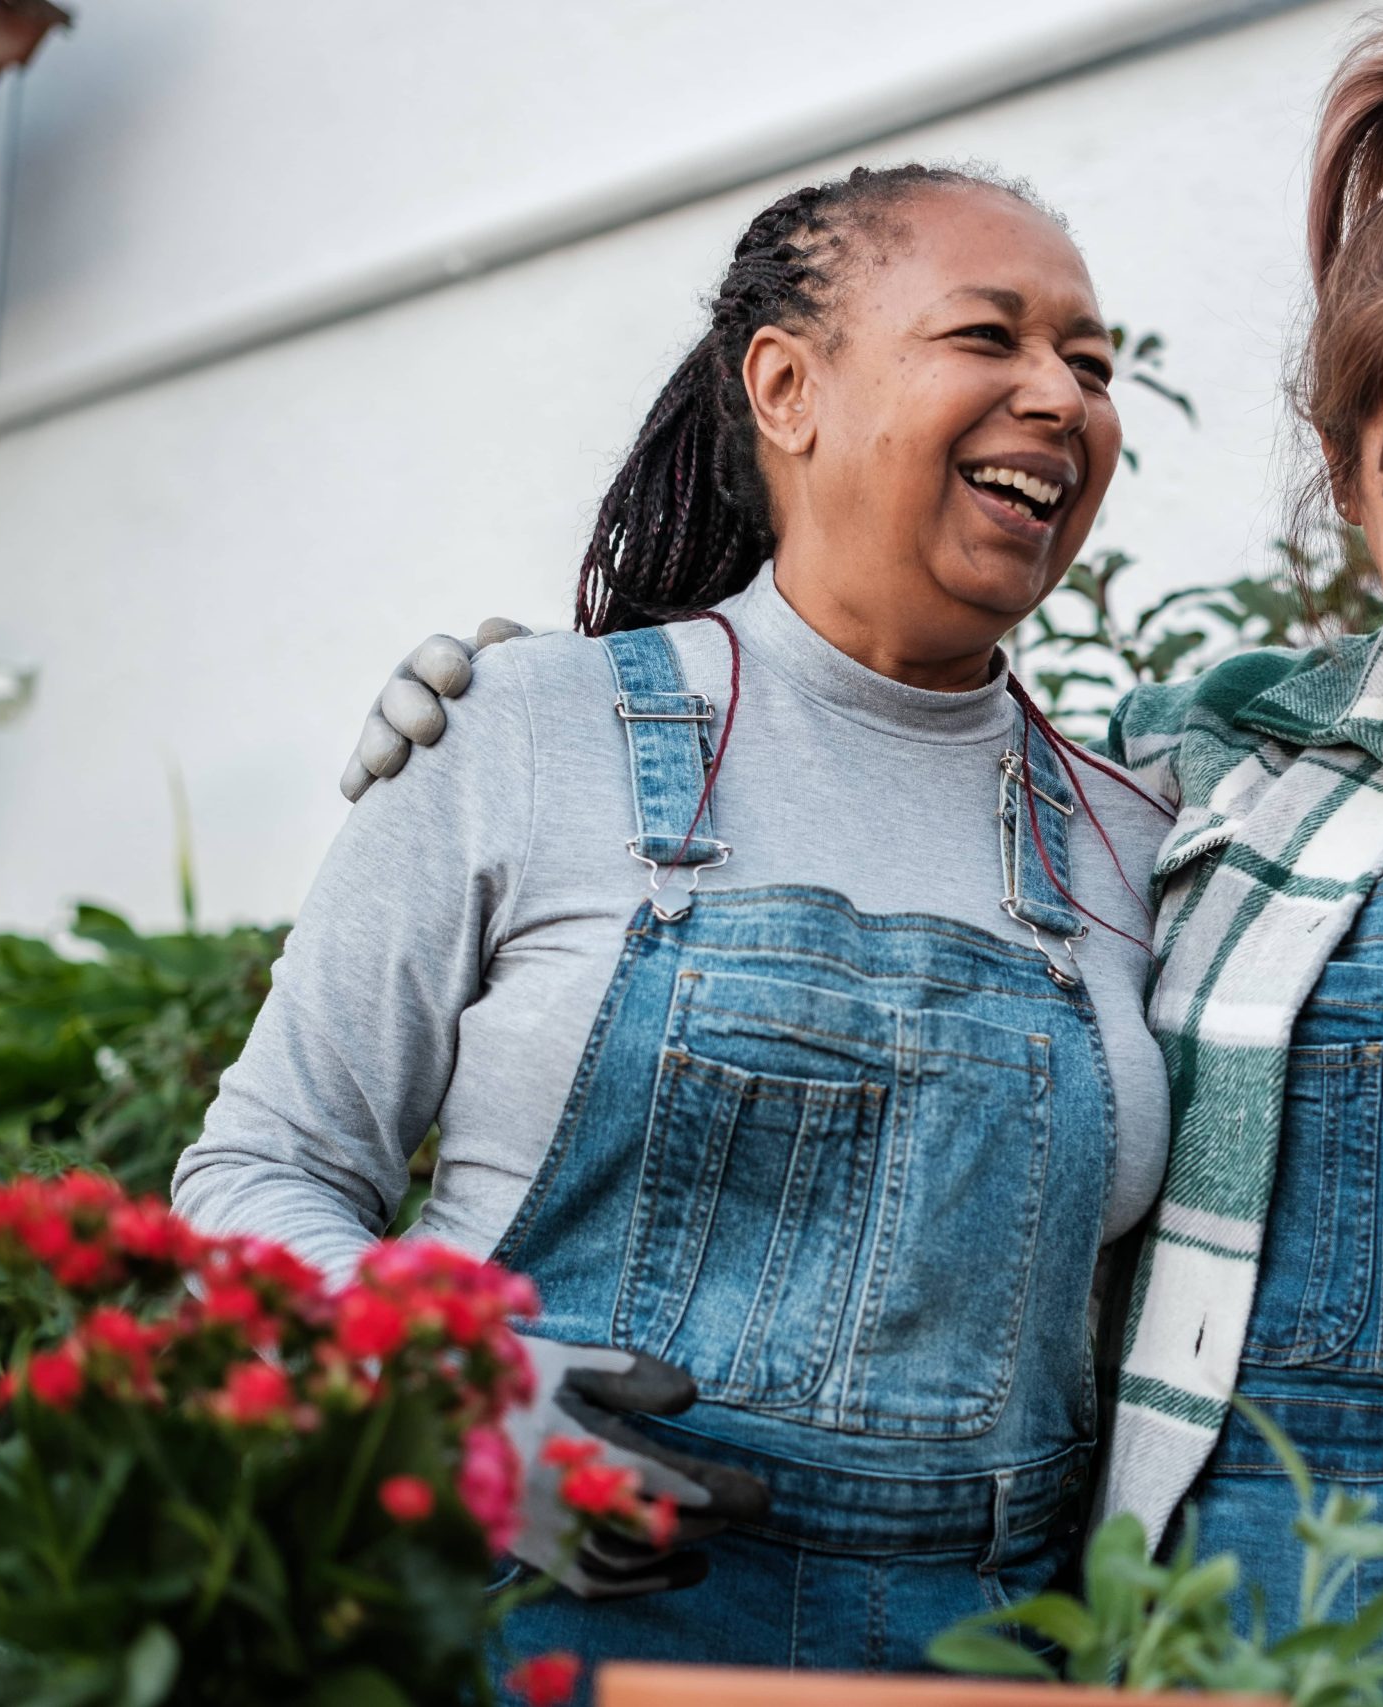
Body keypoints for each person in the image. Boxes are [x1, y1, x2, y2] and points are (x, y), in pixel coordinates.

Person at [346, 11, 1383, 1701]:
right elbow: (859, 751)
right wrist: (514, 708)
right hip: (1180, 1658)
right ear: (1351, 486)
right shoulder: (1213, 778)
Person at [171, 161, 1178, 1674]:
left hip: (978, 1679)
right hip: (524, 1649)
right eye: (991, 337)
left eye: (1091, 366)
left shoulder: (1137, 839)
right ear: (788, 385)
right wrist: (440, 1387)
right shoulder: (522, 728)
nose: (1063, 395)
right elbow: (257, 1174)